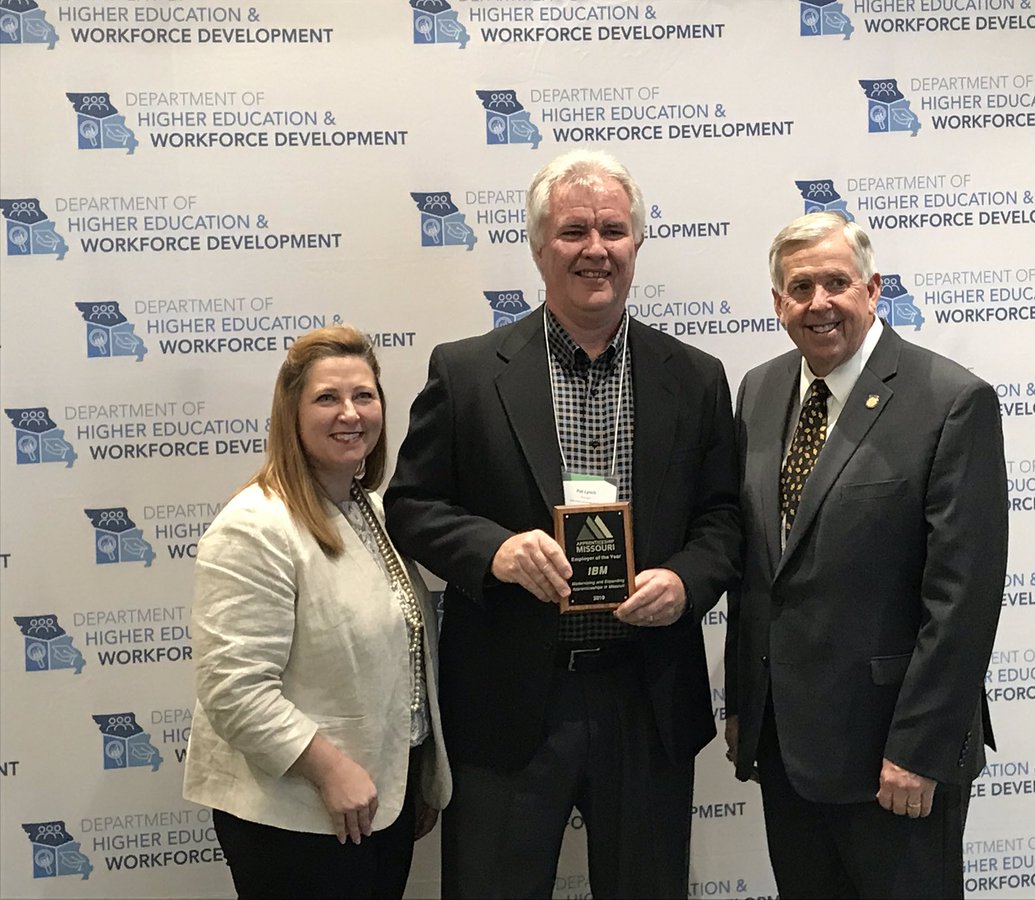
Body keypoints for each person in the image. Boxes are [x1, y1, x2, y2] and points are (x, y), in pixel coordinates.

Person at [385, 148, 740, 899]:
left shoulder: (698, 377)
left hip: (645, 700)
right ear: (539, 246)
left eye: (613, 229)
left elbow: (723, 521)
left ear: (637, 244)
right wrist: (496, 550)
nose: (595, 249)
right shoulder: (468, 371)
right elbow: (411, 506)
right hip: (512, 698)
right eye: (574, 231)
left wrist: (685, 579)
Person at [724, 212, 1007, 899]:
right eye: (799, 288)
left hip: (894, 759)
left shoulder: (950, 401)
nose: (817, 303)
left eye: (835, 282)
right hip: (787, 749)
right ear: (777, 303)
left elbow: (962, 600)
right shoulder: (758, 392)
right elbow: (759, 571)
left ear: (873, 288)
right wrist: (743, 704)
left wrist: (918, 749)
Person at [183, 325, 451, 899]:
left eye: (364, 395)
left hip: (380, 802)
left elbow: (399, 653)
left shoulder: (375, 511)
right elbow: (233, 688)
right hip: (296, 816)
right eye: (327, 398)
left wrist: (416, 773)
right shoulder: (255, 527)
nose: (350, 413)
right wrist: (330, 770)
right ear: (292, 412)